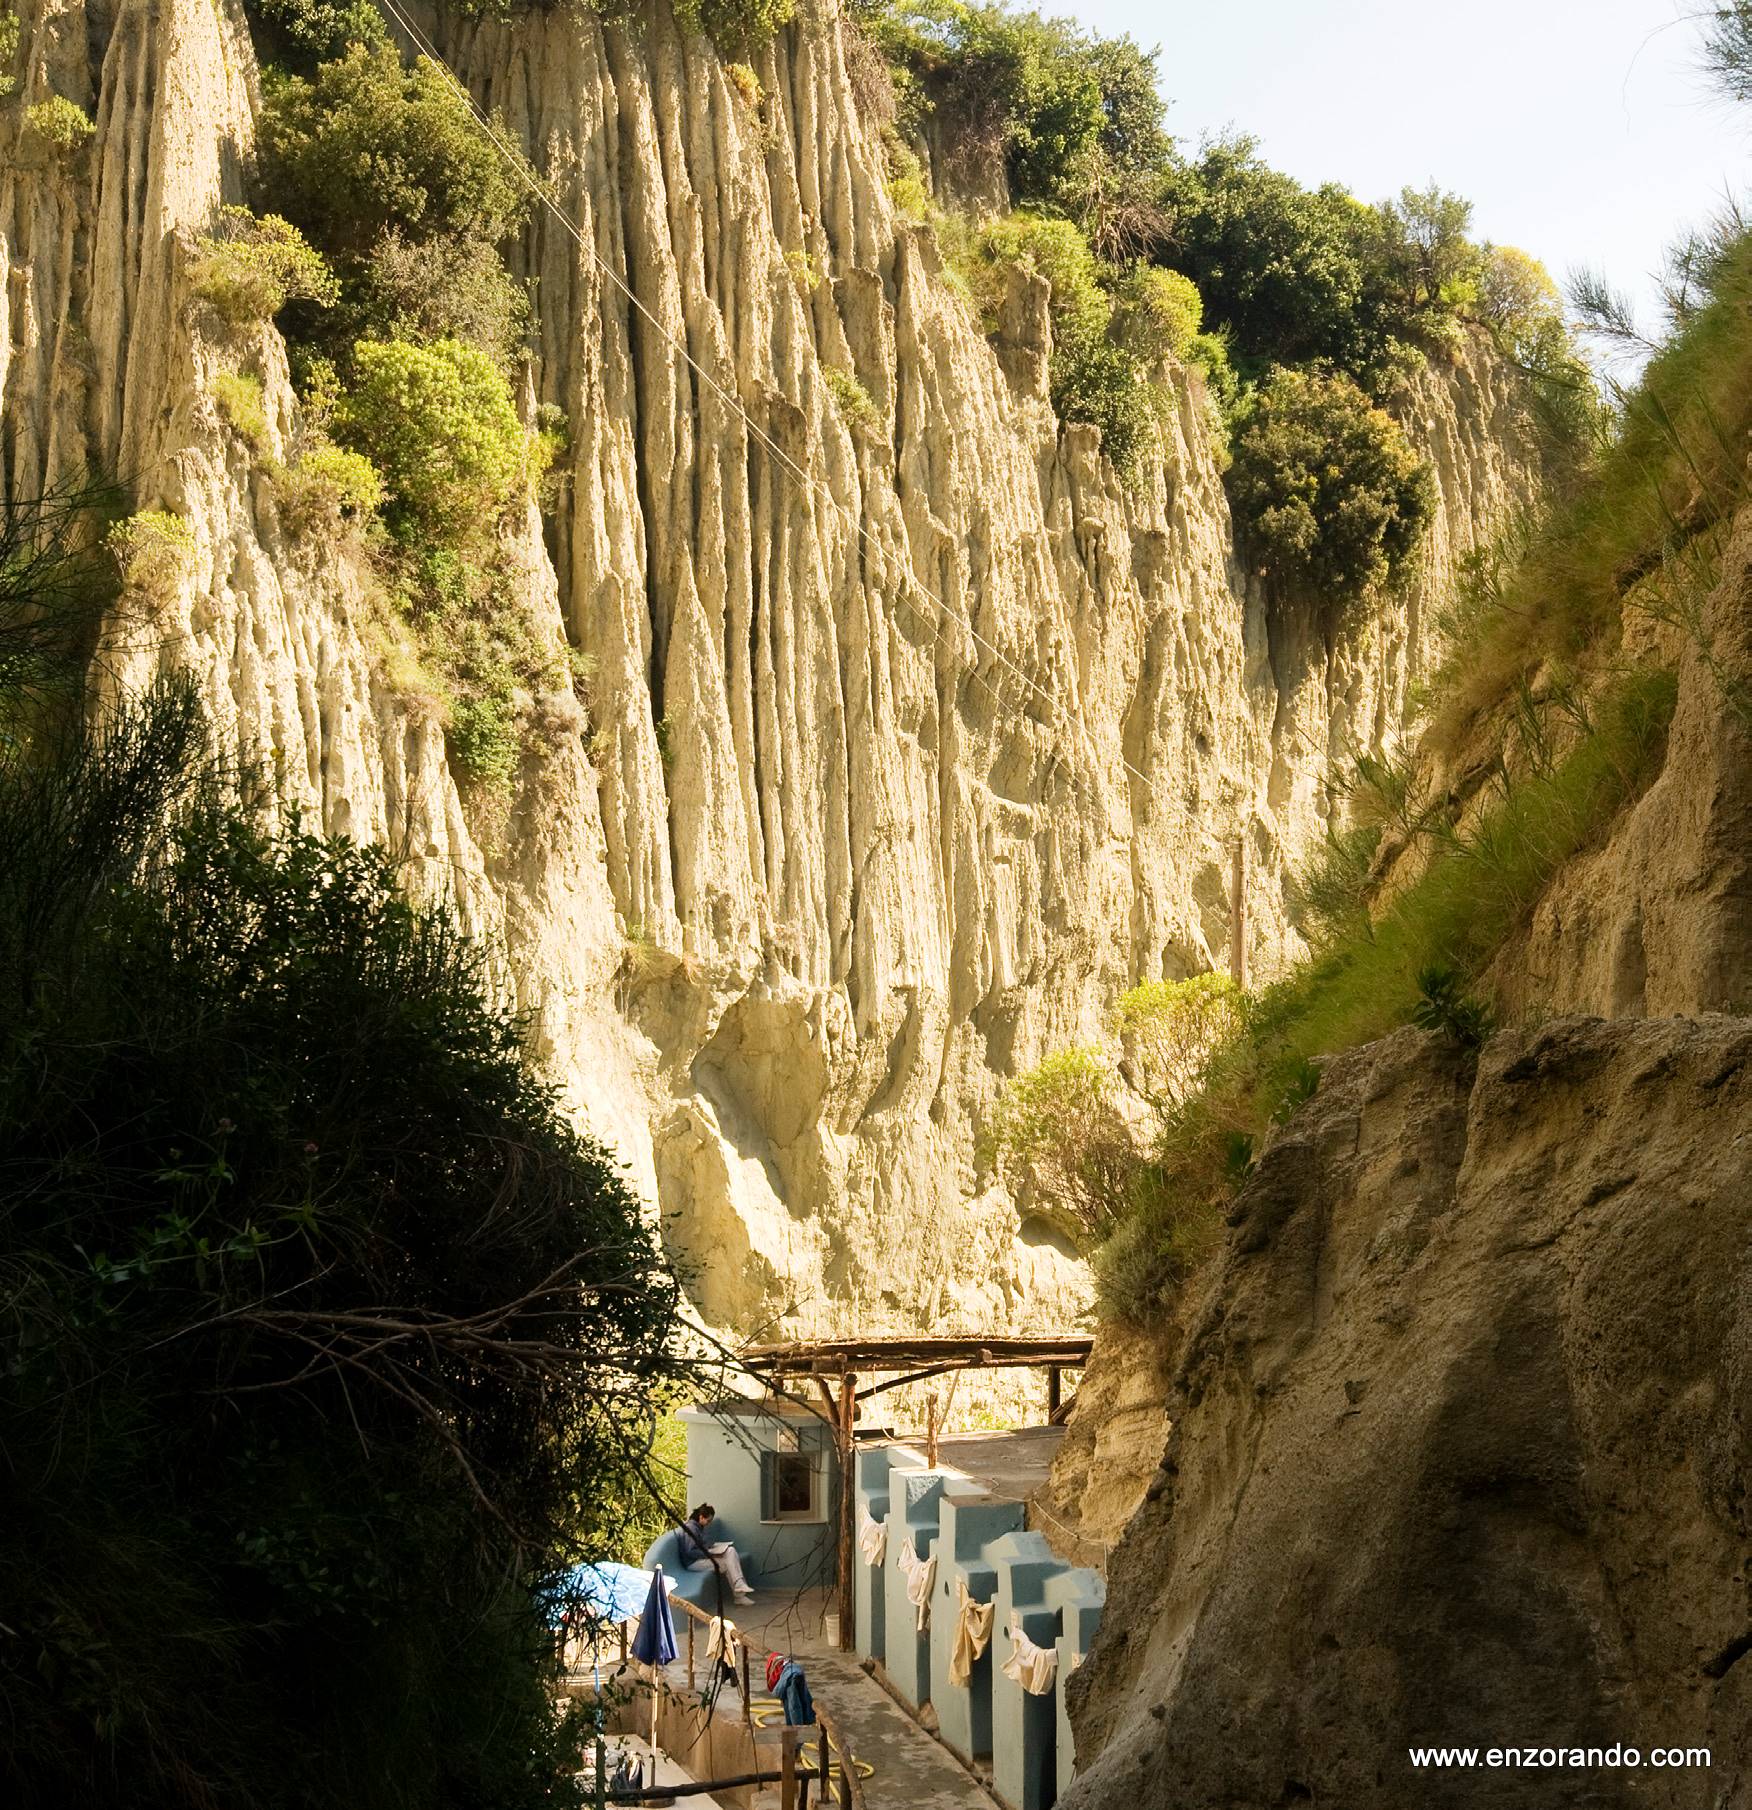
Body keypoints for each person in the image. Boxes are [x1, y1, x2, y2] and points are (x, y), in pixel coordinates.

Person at [680, 1503, 754, 1603]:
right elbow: (690, 1551)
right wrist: (709, 1554)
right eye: (708, 1520)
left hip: (703, 1557)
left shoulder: (699, 1527)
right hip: (693, 1562)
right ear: (701, 1517)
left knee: (731, 1551)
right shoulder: (691, 1528)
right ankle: (739, 1595)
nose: (709, 1523)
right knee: (728, 1564)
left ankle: (739, 1584)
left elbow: (702, 1544)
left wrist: (710, 1547)